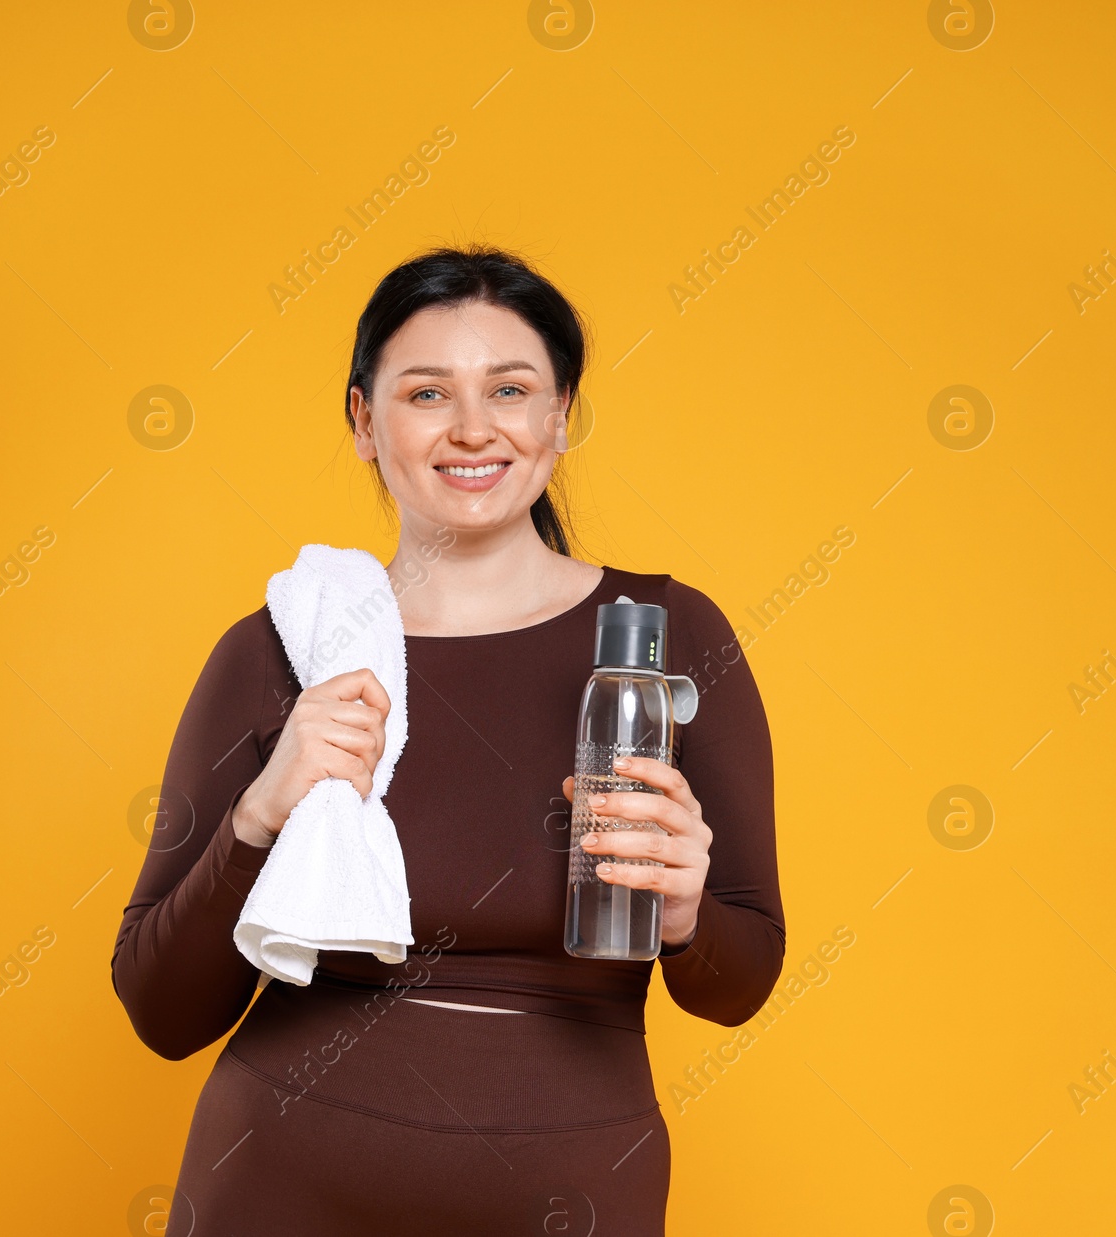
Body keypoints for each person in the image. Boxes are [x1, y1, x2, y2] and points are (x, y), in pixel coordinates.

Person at [110, 245, 785, 1234]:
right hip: (279, 1186)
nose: (472, 428)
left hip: (573, 1194)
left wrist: (685, 911)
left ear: (559, 416)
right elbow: (160, 1012)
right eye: (427, 393)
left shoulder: (665, 641)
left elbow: (740, 983)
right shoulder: (286, 647)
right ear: (362, 420)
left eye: (509, 389)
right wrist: (260, 813)